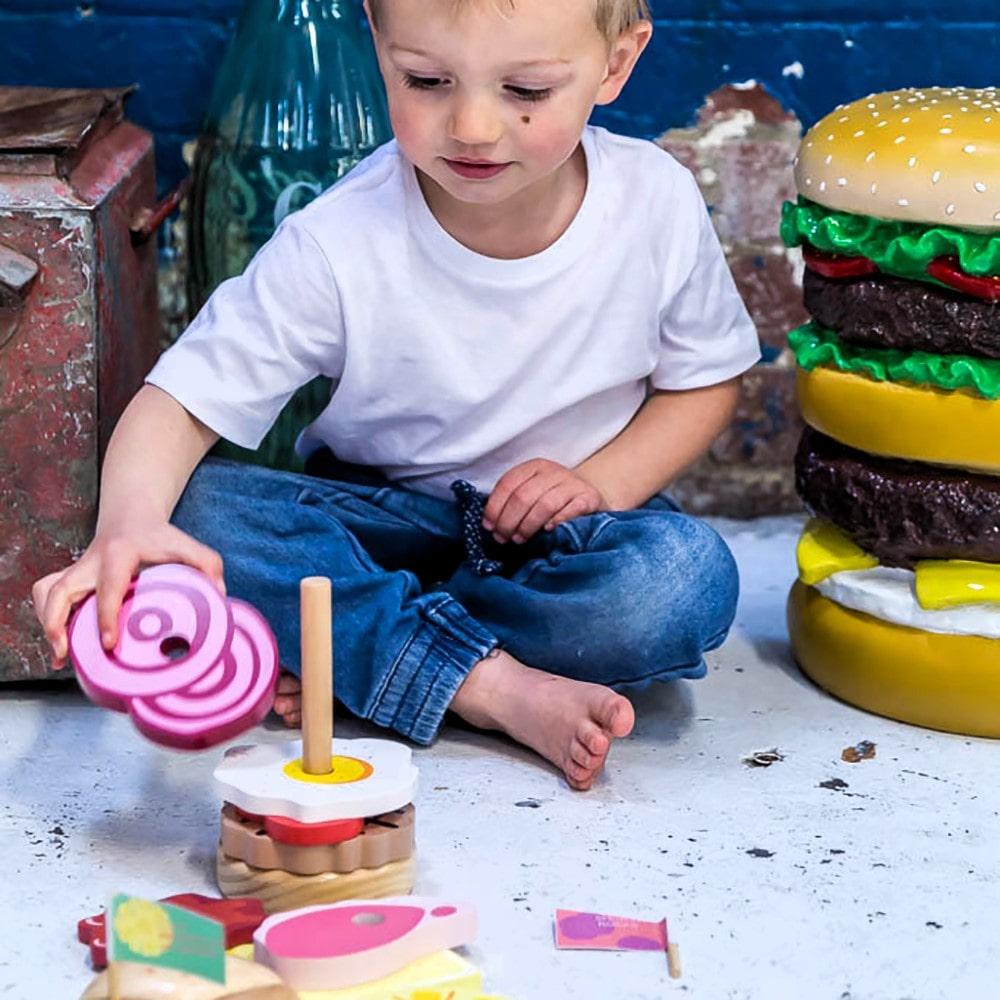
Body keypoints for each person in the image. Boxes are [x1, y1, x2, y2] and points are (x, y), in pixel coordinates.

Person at [32, 0, 760, 790]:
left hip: (567, 540)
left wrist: (599, 485)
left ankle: (365, 650)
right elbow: (179, 401)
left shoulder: (655, 201)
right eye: (426, 80)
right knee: (198, 514)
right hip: (385, 526)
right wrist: (127, 528)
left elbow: (704, 385)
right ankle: (488, 687)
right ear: (377, 46)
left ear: (616, 63)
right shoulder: (339, 239)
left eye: (526, 91)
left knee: (684, 580)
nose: (474, 127)